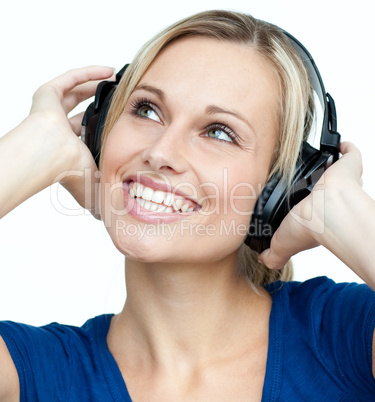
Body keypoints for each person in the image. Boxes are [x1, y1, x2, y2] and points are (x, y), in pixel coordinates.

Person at [0, 9, 374, 401]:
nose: (160, 152)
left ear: (282, 187)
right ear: (100, 131)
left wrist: (339, 206)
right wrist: (36, 146)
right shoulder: (32, 373)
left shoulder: (342, 339)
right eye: (146, 110)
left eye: (219, 132)